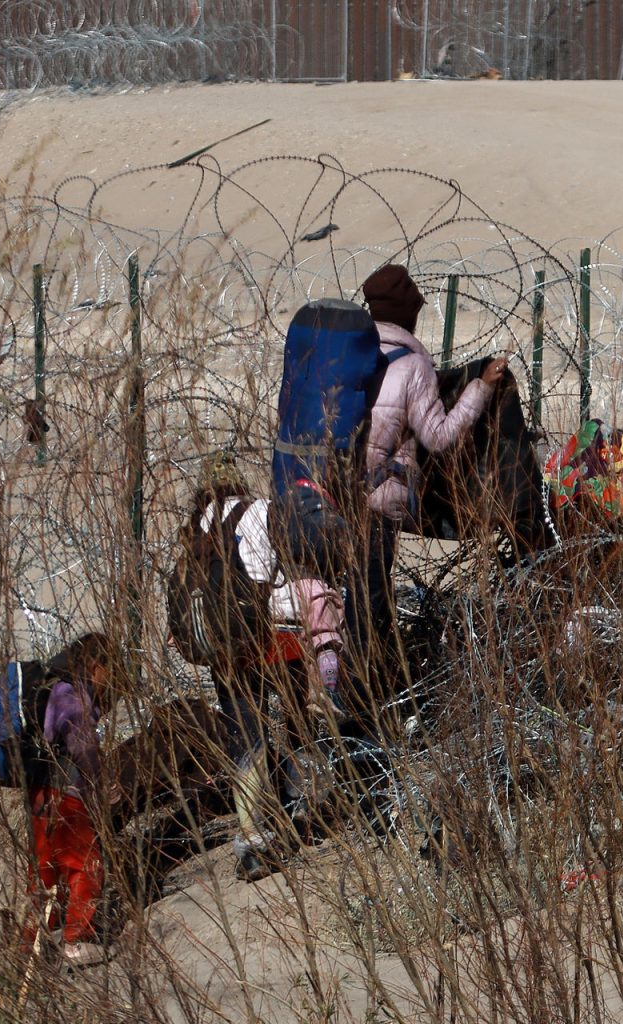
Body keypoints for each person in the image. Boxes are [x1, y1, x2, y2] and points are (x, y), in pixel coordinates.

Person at [185, 453, 348, 882]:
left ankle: (251, 843)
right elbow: (262, 577)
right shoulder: (257, 511)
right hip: (274, 638)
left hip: (224, 649)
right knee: (298, 724)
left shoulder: (194, 528)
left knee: (247, 742)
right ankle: (304, 807)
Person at [356, 264, 506, 687]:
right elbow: (439, 438)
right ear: (408, 313)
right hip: (385, 497)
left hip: (338, 492)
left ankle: (351, 679)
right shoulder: (411, 367)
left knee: (349, 595)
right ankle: (370, 688)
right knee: (371, 600)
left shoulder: (352, 356)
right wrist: (481, 388)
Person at [26, 632, 125, 966]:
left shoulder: (50, 689)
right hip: (67, 792)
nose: (109, 681)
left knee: (45, 869)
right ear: (96, 665)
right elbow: (82, 746)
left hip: (41, 792)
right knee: (84, 863)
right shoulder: (71, 694)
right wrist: (103, 782)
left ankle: (36, 942)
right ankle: (76, 940)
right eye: (109, 671)